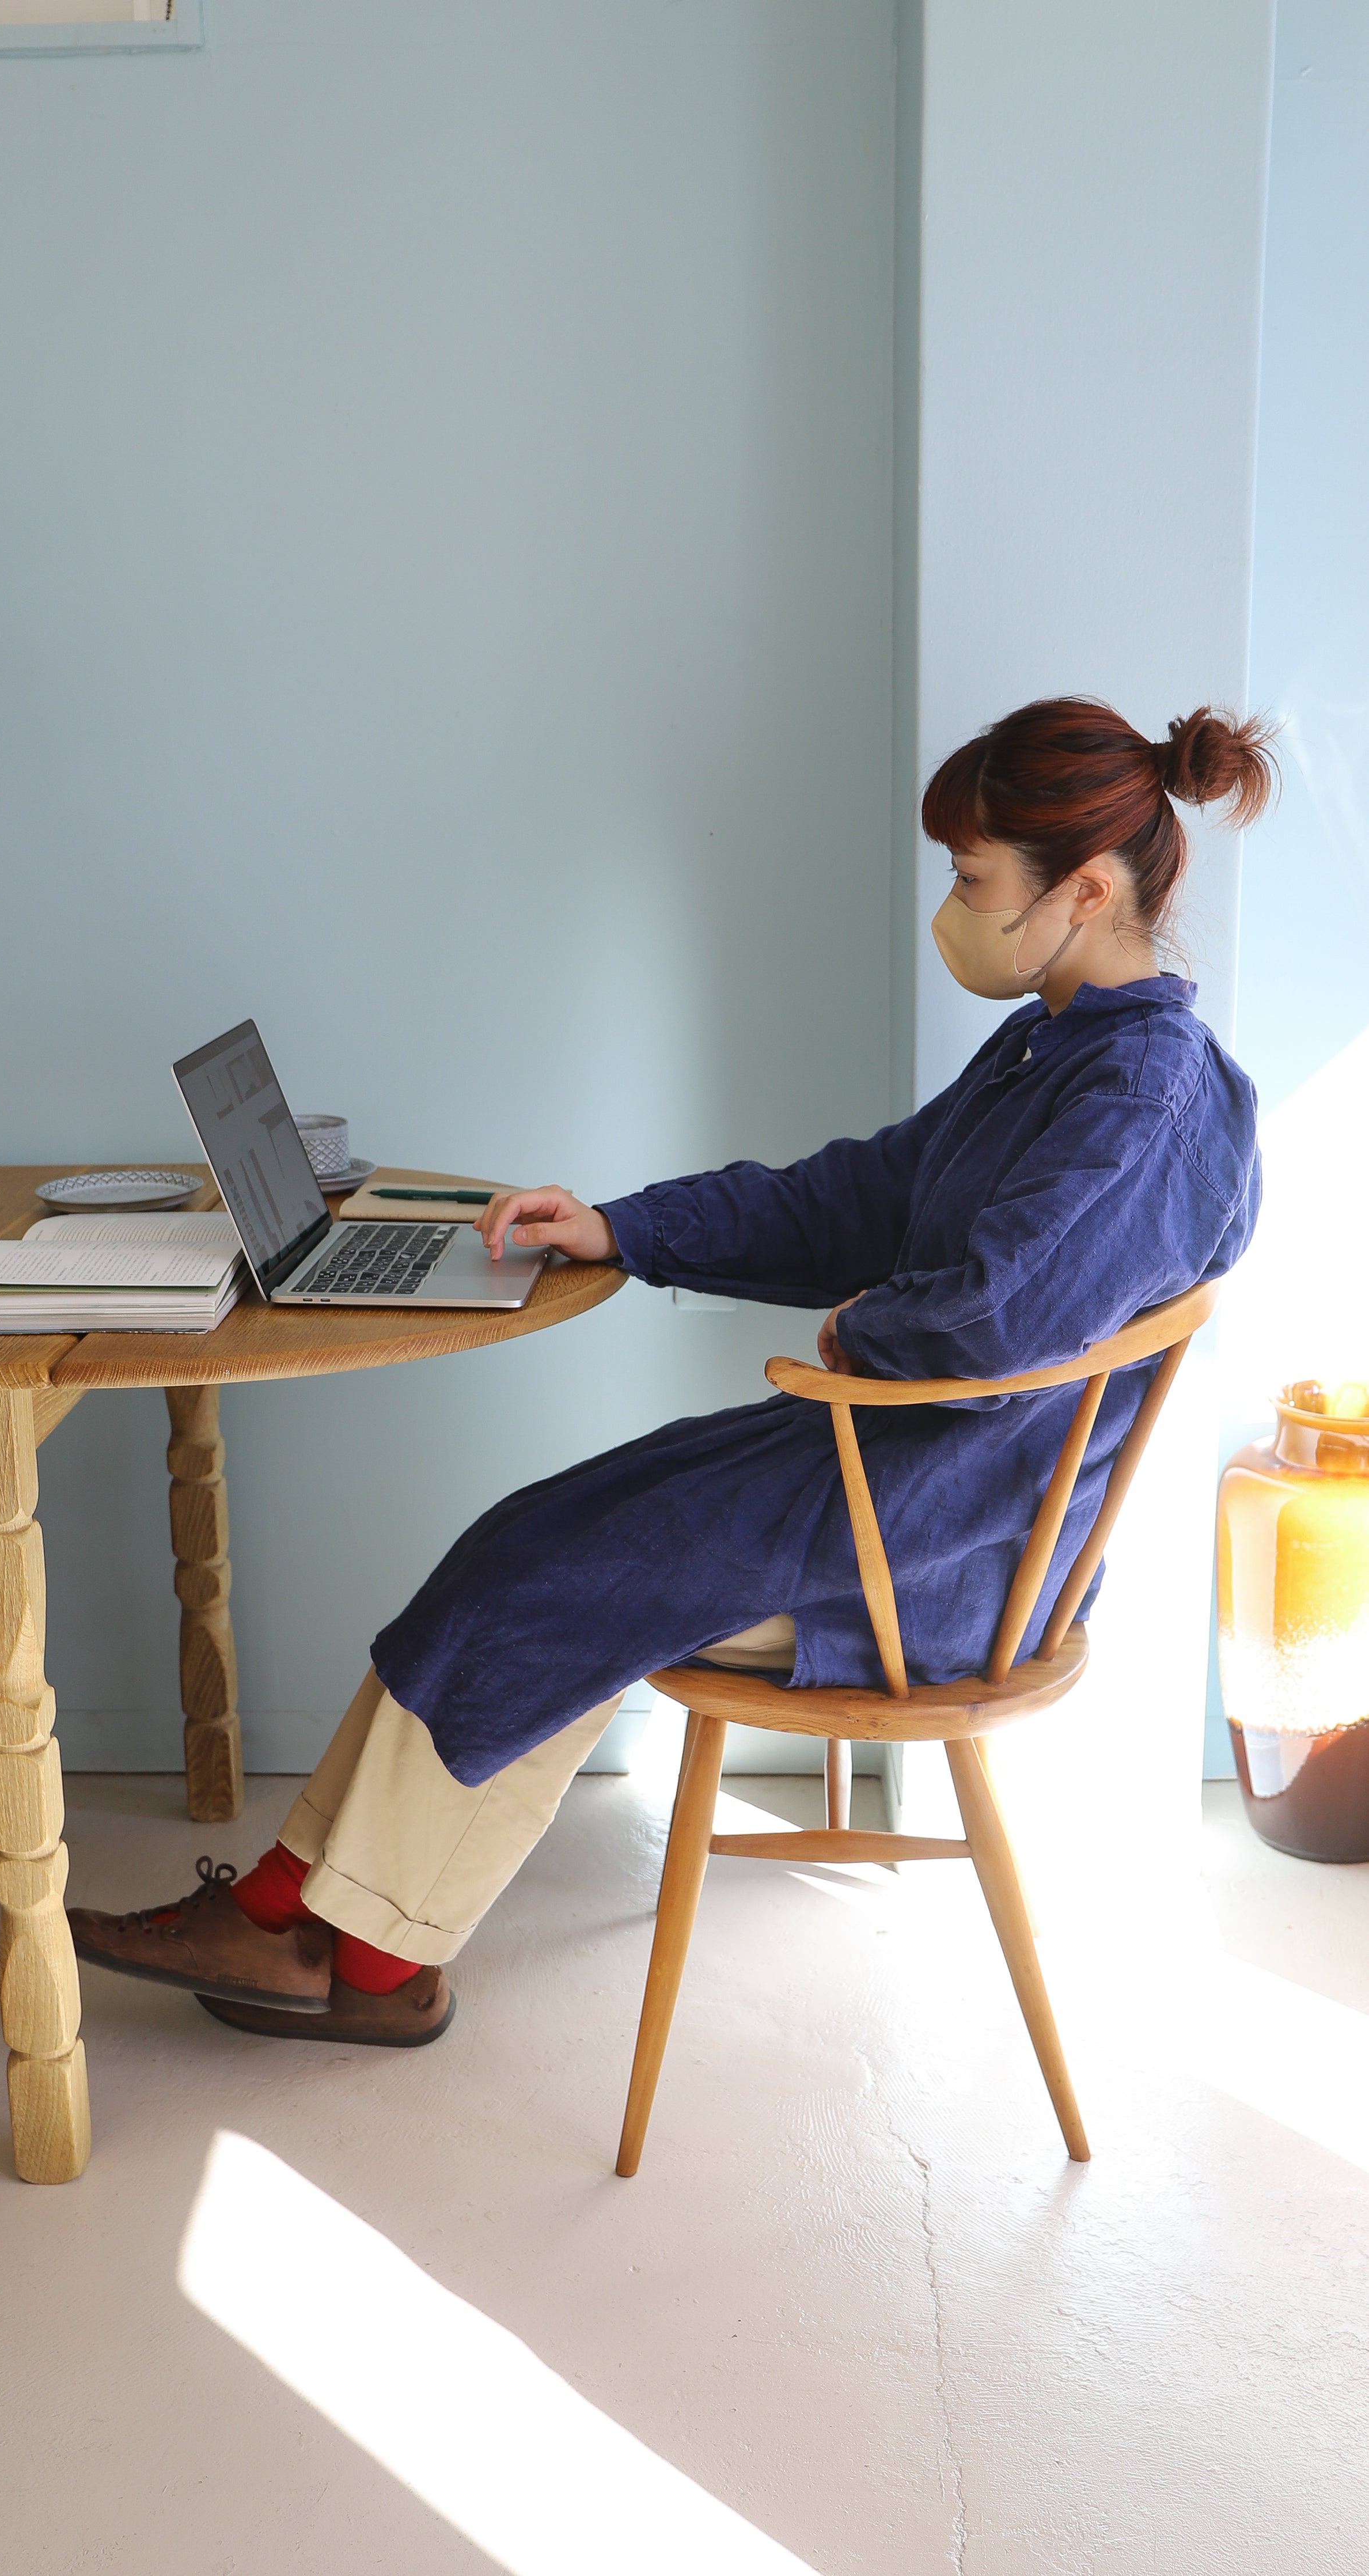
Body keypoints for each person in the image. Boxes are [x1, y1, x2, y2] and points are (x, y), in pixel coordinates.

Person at [69, 696, 1274, 2047]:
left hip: (942, 1543)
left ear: (1087, 889)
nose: (950, 905)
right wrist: (625, 1229)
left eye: (969, 878)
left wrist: (858, 1332)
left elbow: (988, 1321)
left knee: (541, 1574)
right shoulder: (1064, 1046)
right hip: (889, 1475)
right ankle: (328, 1933)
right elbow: (865, 1193)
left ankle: (338, 1949)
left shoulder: (1140, 1098)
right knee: (524, 1541)